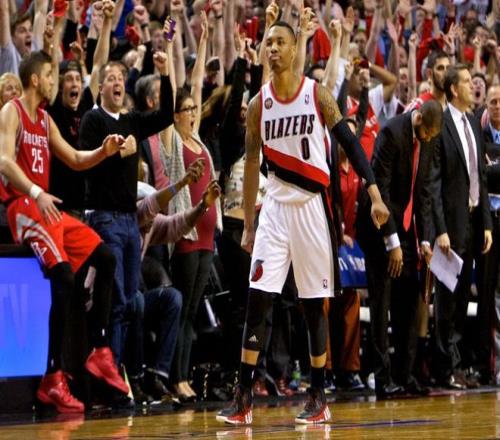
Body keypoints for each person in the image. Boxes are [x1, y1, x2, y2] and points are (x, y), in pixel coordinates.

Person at [216, 20, 389, 426]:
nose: (273, 48)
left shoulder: (317, 94)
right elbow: (253, 164)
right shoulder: (258, 104)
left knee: (314, 305)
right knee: (258, 298)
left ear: (295, 49)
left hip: (312, 207)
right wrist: (249, 224)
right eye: (268, 43)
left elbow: (350, 143)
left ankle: (318, 395)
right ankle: (243, 396)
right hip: (275, 208)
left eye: (280, 42)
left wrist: (375, 192)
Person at [0, 51, 129, 413]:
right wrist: (35, 191)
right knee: (65, 278)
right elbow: (4, 160)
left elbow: (73, 158)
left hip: (46, 206)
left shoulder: (44, 120)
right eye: (51, 75)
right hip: (23, 206)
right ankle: (52, 376)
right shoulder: (12, 111)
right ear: (35, 79)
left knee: (106, 257)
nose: (55, 82)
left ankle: (100, 350)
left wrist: (103, 152)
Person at [79, 50, 174, 372]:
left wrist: (165, 74)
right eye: (110, 78)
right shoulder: (94, 120)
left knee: (132, 302)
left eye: (121, 78)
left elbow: (166, 116)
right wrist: (115, 153)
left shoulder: (132, 121)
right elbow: (87, 167)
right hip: (104, 217)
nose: (117, 82)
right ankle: (112, 373)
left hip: (130, 221)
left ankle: (123, 372)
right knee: (117, 302)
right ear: (101, 88)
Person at [357, 100, 443, 397]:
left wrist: (425, 240)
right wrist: (391, 242)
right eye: (427, 133)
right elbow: (380, 190)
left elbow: (424, 193)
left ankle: (405, 375)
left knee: (408, 301)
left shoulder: (428, 140)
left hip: (406, 229)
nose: (428, 139)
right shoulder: (391, 133)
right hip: (378, 227)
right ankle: (382, 379)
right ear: (418, 120)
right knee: (381, 304)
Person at [431, 64, 492, 389]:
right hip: (449, 225)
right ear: (454, 89)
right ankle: (445, 368)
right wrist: (439, 228)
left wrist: (486, 224)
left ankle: (457, 365)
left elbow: (480, 176)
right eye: (467, 81)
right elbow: (433, 182)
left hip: (473, 220)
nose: (473, 86)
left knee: (462, 297)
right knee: (447, 298)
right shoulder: (441, 124)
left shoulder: (473, 123)